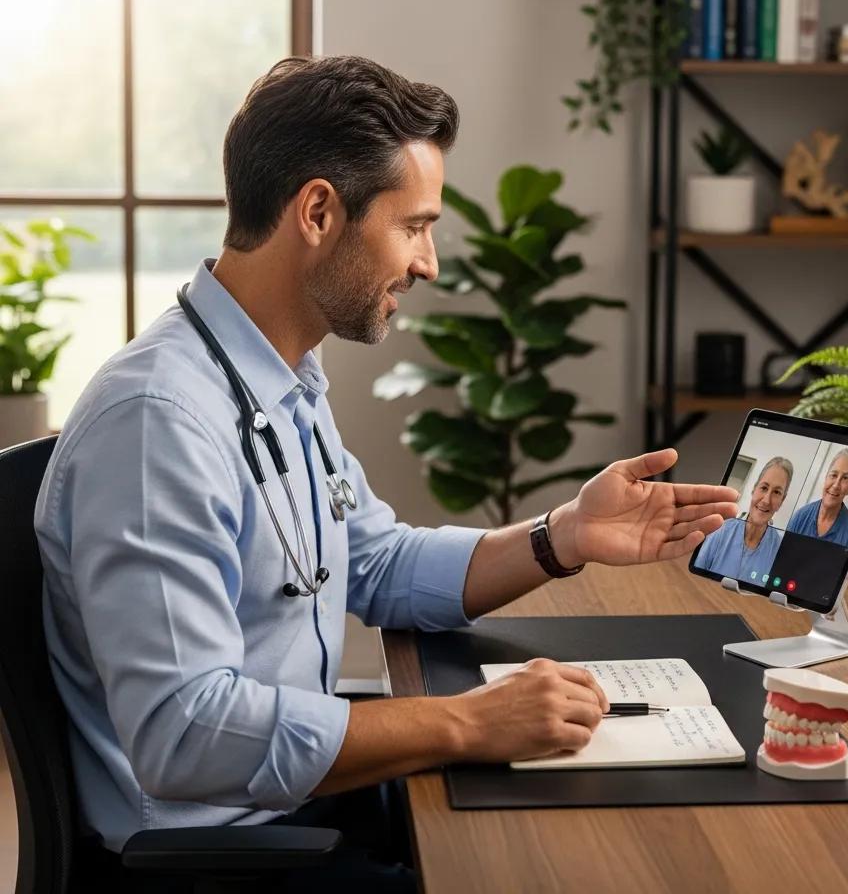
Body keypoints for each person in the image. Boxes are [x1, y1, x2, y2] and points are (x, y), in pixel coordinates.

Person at [34, 55, 739, 892]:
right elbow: (186, 733)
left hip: (291, 801)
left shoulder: (277, 378)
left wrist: (565, 535)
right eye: (413, 227)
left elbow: (373, 563)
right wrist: (462, 724)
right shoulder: (159, 422)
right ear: (321, 212)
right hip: (215, 857)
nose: (429, 263)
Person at [692, 456, 793, 586]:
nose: (767, 500)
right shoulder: (720, 530)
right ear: (754, 489)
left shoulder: (780, 551)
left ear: (782, 501)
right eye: (764, 488)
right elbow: (695, 580)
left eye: (777, 492)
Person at [788, 448, 848, 548]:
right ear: (826, 476)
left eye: (845, 478)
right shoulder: (801, 516)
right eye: (834, 475)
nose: (836, 485)